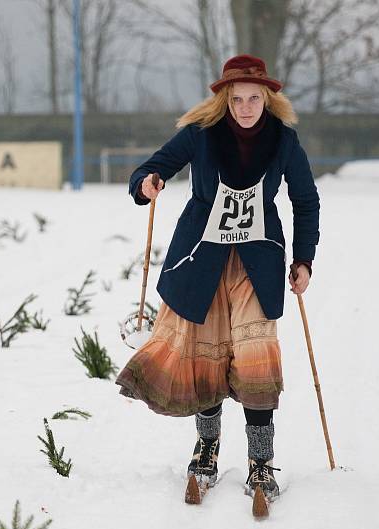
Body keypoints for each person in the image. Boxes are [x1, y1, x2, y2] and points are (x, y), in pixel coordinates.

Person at [115, 54, 320, 502]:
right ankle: (206, 449)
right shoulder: (201, 136)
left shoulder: (284, 142)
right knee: (205, 358)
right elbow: (148, 170)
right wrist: (146, 184)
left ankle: (260, 462)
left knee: (255, 357)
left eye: (254, 99)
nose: (245, 108)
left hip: (257, 264)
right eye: (237, 99)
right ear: (224, 100)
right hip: (201, 261)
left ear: (267, 99)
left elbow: (306, 201)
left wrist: (303, 259)